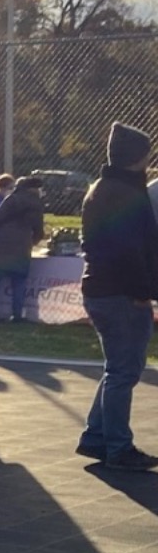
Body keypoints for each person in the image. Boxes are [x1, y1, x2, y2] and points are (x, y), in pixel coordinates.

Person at [77, 123, 158, 471]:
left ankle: (97, 436)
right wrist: (143, 293)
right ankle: (117, 446)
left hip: (101, 288)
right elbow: (131, 249)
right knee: (124, 371)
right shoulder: (128, 194)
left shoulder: (101, 189)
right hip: (121, 292)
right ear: (138, 157)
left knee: (117, 369)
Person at [0, 175, 45, 321]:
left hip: (1, 243)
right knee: (19, 281)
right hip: (22, 244)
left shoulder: (11, 199)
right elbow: (38, 230)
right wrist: (33, 242)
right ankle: (17, 314)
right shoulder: (36, 204)